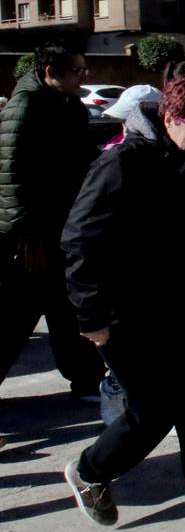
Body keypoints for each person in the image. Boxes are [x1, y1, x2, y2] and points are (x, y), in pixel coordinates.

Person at [61, 76, 185, 532]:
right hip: (128, 314)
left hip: (184, 307)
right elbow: (79, 240)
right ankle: (91, 471)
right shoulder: (123, 164)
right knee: (153, 412)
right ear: (169, 118)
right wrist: (91, 316)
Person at [0, 43, 105, 401]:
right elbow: (9, 174)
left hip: (63, 225)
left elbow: (82, 158)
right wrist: (27, 235)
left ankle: (88, 378)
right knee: (15, 316)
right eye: (77, 71)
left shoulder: (68, 104)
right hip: (32, 234)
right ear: (51, 74)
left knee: (69, 305)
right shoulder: (26, 105)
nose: (83, 77)